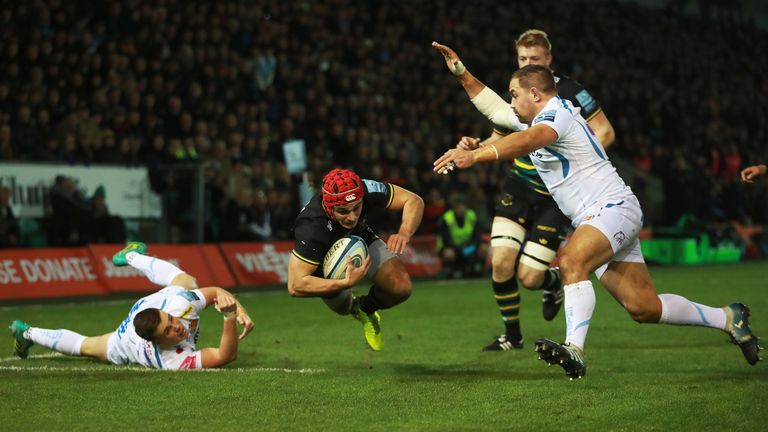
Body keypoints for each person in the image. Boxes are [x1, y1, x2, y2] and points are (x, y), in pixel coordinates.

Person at [433, 65, 762, 379]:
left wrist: (475, 156)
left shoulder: (557, 112)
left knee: (571, 261)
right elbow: (495, 109)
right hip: (601, 216)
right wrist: (462, 73)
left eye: (514, 94)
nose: (511, 101)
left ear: (534, 93)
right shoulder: (532, 118)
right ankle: (727, 317)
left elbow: (530, 141)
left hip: (612, 207)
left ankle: (574, 348)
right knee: (643, 307)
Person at [432, 30, 616, 351]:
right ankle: (512, 336)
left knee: (529, 277)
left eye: (534, 59)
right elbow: (502, 128)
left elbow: (604, 132)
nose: (528, 63)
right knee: (500, 262)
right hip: (519, 186)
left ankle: (552, 281)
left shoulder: (569, 95)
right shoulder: (519, 97)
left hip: (554, 197)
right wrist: (477, 144)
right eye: (522, 59)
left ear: (548, 60)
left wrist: (574, 162)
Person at [9, 242, 254, 369]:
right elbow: (226, 355)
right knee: (88, 347)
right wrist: (229, 317)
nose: (177, 328)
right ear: (157, 343)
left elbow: (215, 292)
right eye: (168, 332)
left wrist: (237, 306)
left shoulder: (178, 308)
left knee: (186, 283)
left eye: (171, 323)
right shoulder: (172, 360)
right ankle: (27, 332)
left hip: (152, 305)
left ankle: (130, 256)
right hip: (126, 339)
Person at [287, 168, 424, 352]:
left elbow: (413, 200)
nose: (352, 217)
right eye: (343, 211)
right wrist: (344, 283)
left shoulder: (362, 188)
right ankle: (354, 308)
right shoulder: (312, 229)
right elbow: (295, 285)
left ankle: (366, 308)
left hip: (360, 240)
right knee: (344, 308)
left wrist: (404, 232)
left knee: (401, 287)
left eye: (357, 208)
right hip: (325, 268)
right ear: (329, 207)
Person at [437, 194, 488, 279]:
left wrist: (469, 248)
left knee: (484, 248)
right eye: (458, 206)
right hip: (453, 247)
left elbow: (477, 236)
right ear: (454, 208)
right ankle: (450, 271)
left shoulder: (471, 216)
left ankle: (479, 268)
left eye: (462, 206)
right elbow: (446, 239)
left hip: (469, 246)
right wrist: (460, 249)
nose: (460, 209)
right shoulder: (447, 218)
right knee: (449, 253)